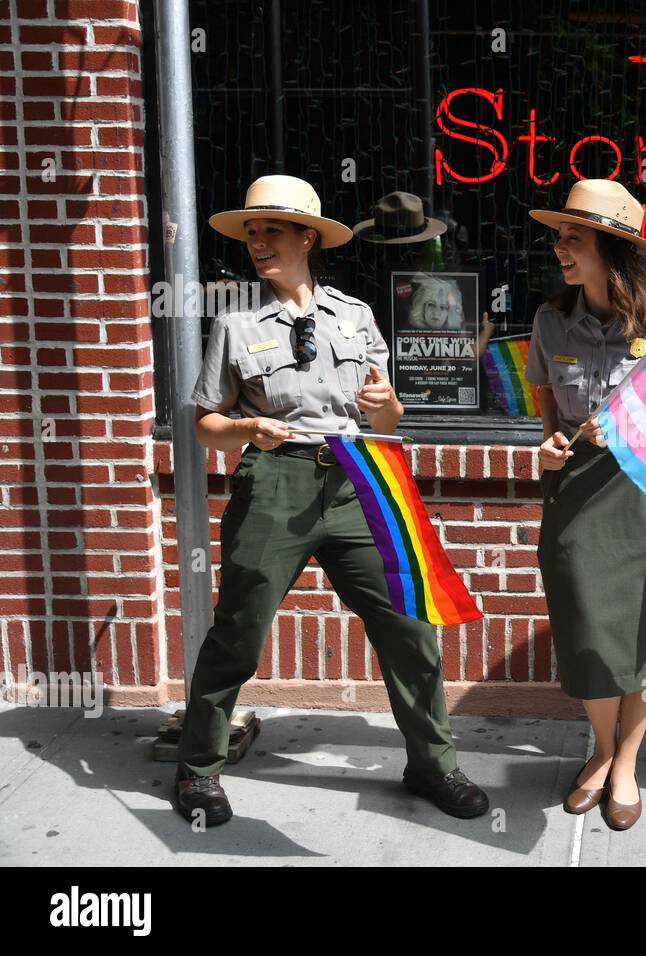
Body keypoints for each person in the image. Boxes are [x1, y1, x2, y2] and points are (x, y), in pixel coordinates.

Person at [175, 175, 488, 826]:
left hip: (356, 481)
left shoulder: (354, 314)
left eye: (272, 231)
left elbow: (389, 417)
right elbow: (203, 421)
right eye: (252, 232)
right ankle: (199, 768)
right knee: (238, 630)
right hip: (275, 482)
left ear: (307, 238)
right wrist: (244, 430)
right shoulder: (234, 324)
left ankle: (433, 765)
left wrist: (388, 406)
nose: (259, 242)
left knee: (408, 628)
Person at [525, 179, 646, 830]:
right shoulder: (550, 321)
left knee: (643, 634)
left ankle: (625, 762)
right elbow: (546, 418)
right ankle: (601, 749)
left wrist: (638, 429)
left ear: (610, 248)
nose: (560, 249)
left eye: (573, 239)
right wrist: (548, 447)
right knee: (585, 631)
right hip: (577, 493)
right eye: (560, 236)